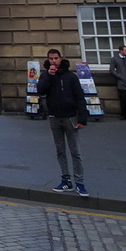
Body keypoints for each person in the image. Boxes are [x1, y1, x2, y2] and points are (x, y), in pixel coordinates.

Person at [35, 48, 89, 197]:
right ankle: (66, 180)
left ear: (61, 58)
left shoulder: (70, 77)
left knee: (75, 152)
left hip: (70, 117)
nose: (54, 61)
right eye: (51, 59)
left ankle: (80, 182)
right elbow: (40, 91)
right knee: (60, 151)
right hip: (54, 117)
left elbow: (79, 97)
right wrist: (50, 77)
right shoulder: (45, 76)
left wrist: (82, 118)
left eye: (56, 58)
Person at [108, 44, 126, 120]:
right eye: (125, 50)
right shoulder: (114, 59)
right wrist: (119, 76)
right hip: (121, 82)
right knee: (123, 99)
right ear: (121, 51)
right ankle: (123, 114)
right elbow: (111, 70)